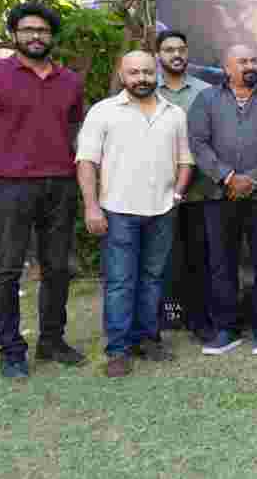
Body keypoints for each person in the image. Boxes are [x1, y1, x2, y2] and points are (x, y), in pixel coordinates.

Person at [0, 2, 86, 378]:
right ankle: (12, 350)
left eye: (43, 30)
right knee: (7, 269)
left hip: (60, 184)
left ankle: (52, 341)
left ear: (52, 37)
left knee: (57, 267)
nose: (36, 36)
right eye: (28, 29)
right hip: (10, 185)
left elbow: (72, 131)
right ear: (15, 34)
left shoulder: (70, 81)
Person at [76, 51, 193, 377]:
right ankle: (118, 350)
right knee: (120, 283)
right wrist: (91, 206)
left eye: (147, 72)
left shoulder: (174, 114)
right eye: (134, 72)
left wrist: (177, 194)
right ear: (122, 75)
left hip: (162, 210)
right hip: (117, 212)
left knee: (153, 279)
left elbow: (186, 160)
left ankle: (147, 340)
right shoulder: (103, 112)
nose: (141, 78)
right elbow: (86, 162)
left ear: (156, 73)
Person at [188, 44, 257, 356]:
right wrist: (228, 177)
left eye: (253, 61)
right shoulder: (206, 100)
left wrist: (252, 179)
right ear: (227, 68)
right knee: (221, 264)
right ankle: (226, 328)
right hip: (219, 196)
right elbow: (198, 143)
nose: (250, 66)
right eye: (242, 61)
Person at [155, 30, 215, 343]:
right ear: (158, 55)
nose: (176, 55)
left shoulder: (206, 93)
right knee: (158, 258)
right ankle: (154, 321)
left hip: (198, 192)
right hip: (154, 193)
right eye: (168, 50)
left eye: (180, 49)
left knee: (198, 258)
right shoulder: (146, 90)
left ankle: (199, 321)